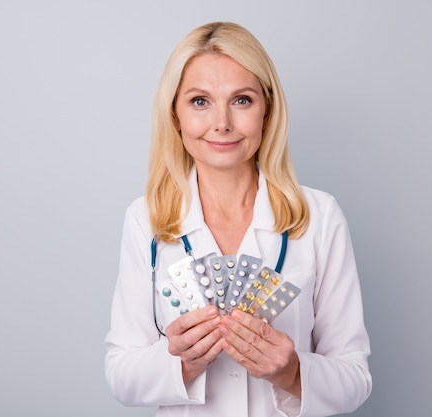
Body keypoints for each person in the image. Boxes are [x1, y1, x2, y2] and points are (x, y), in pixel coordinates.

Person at [105, 21, 372, 417]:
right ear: (175, 115)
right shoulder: (146, 219)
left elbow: (355, 378)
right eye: (200, 101)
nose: (222, 123)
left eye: (242, 100)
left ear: (267, 110)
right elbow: (120, 374)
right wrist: (180, 361)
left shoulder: (319, 216)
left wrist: (292, 372)